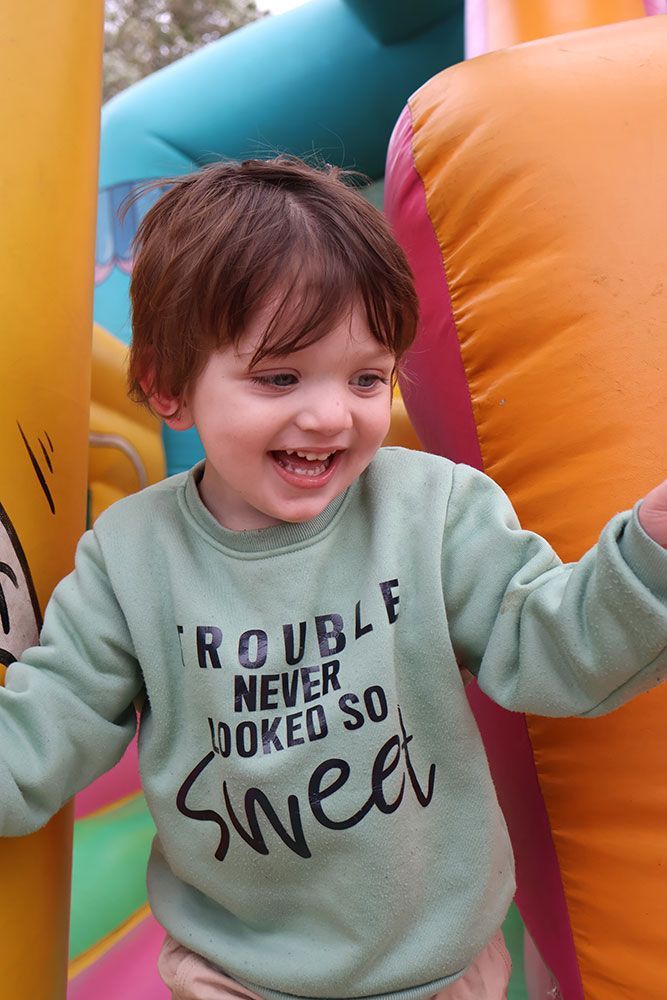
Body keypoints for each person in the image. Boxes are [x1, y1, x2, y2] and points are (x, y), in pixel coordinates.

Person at [1, 157, 666, 1000]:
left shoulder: (431, 510)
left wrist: (645, 555)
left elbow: (551, 649)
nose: (330, 415)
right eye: (280, 377)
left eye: (365, 378)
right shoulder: (130, 556)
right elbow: (48, 722)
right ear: (169, 387)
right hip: (237, 973)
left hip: (437, 968)